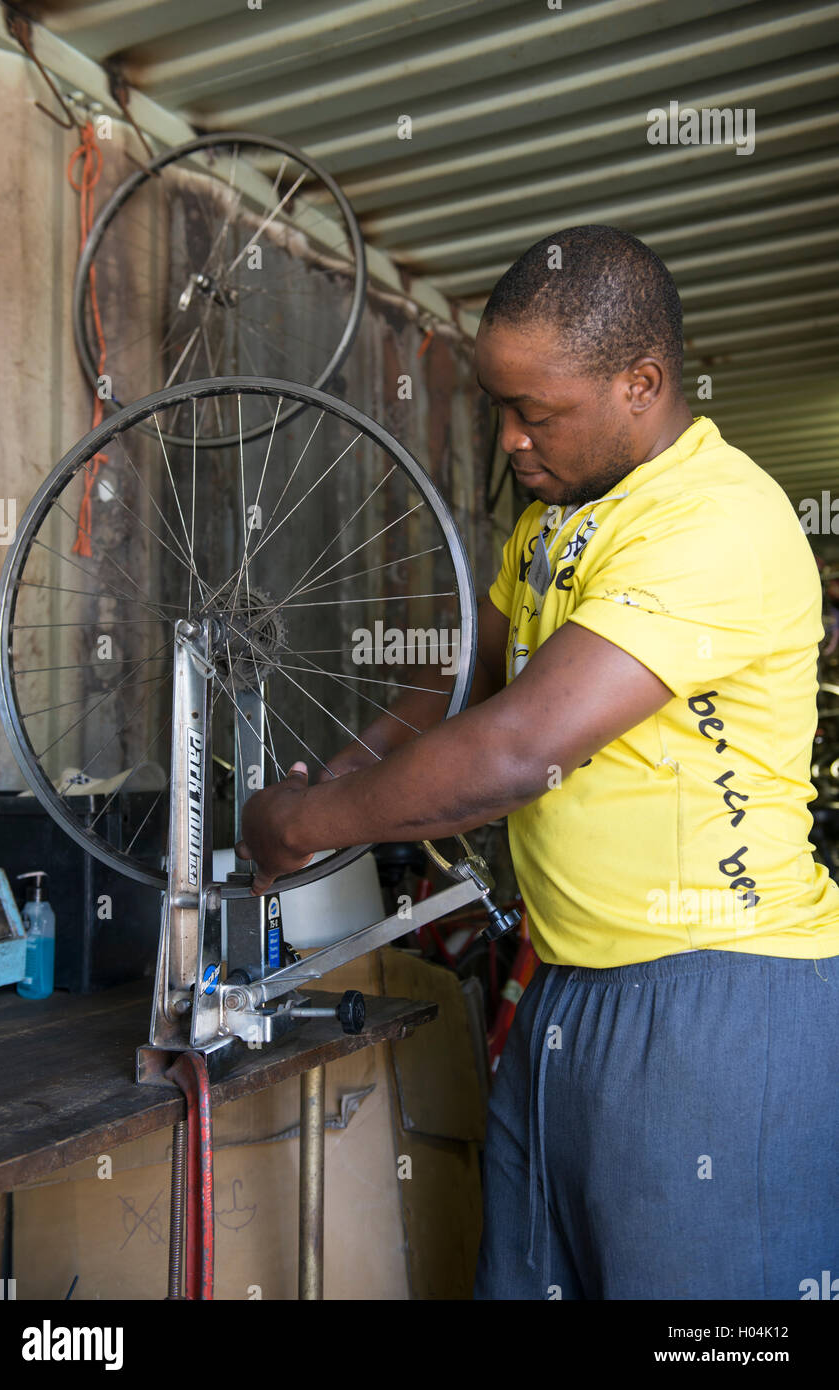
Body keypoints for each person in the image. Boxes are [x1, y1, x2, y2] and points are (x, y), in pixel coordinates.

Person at [237, 225, 839, 1300]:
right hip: (566, 987)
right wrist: (334, 776)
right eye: (498, 407)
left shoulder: (719, 524)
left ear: (641, 383)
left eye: (536, 411)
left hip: (716, 1000)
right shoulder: (557, 514)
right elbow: (469, 680)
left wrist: (310, 830)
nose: (510, 440)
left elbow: (518, 747)